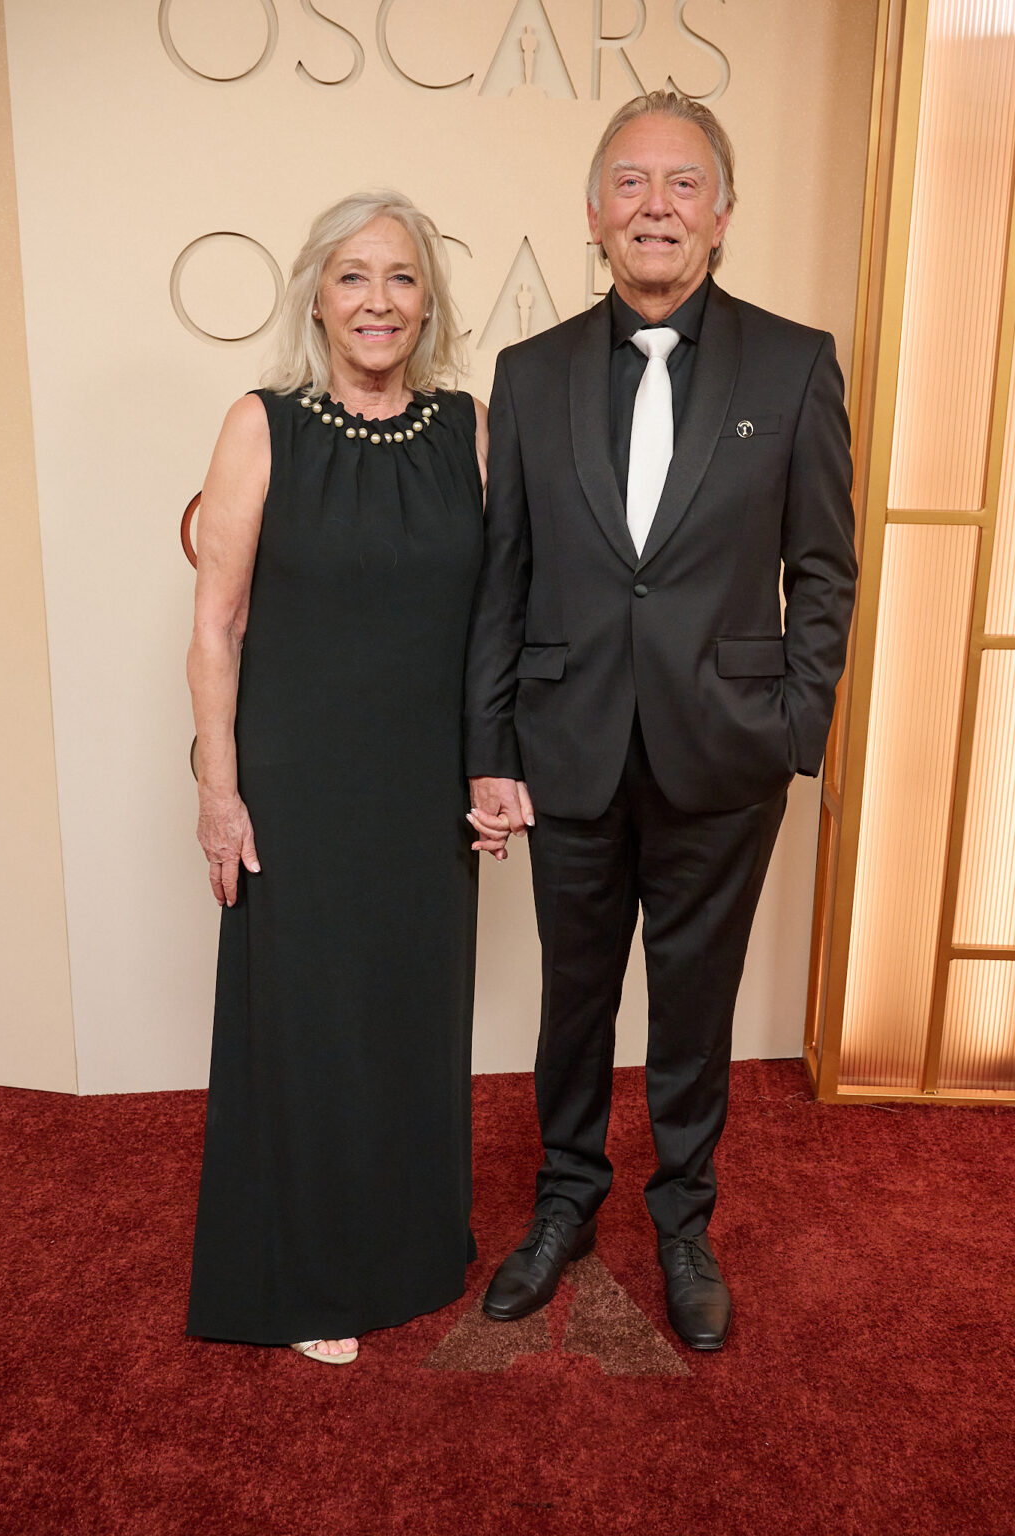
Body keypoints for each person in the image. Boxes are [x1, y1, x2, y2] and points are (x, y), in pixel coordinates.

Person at [464, 92, 857, 1351]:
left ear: (722, 215)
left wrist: (795, 726)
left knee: (696, 1007)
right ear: (592, 212)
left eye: (683, 184)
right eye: (629, 183)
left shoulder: (794, 363)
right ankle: (565, 1204)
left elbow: (825, 566)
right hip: (566, 747)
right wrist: (490, 750)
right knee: (573, 1002)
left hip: (725, 753)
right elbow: (503, 578)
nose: (655, 206)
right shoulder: (527, 376)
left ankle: (683, 1220)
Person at [186, 191, 499, 1364]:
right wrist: (219, 787)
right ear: (316, 294)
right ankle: (310, 1275)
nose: (378, 301)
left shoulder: (469, 428)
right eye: (354, 277)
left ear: (429, 302)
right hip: (299, 783)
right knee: (310, 1025)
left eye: (402, 278)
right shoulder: (261, 425)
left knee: (410, 1014)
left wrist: (491, 765)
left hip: (422, 789)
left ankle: (408, 1249)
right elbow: (215, 624)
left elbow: (496, 624)